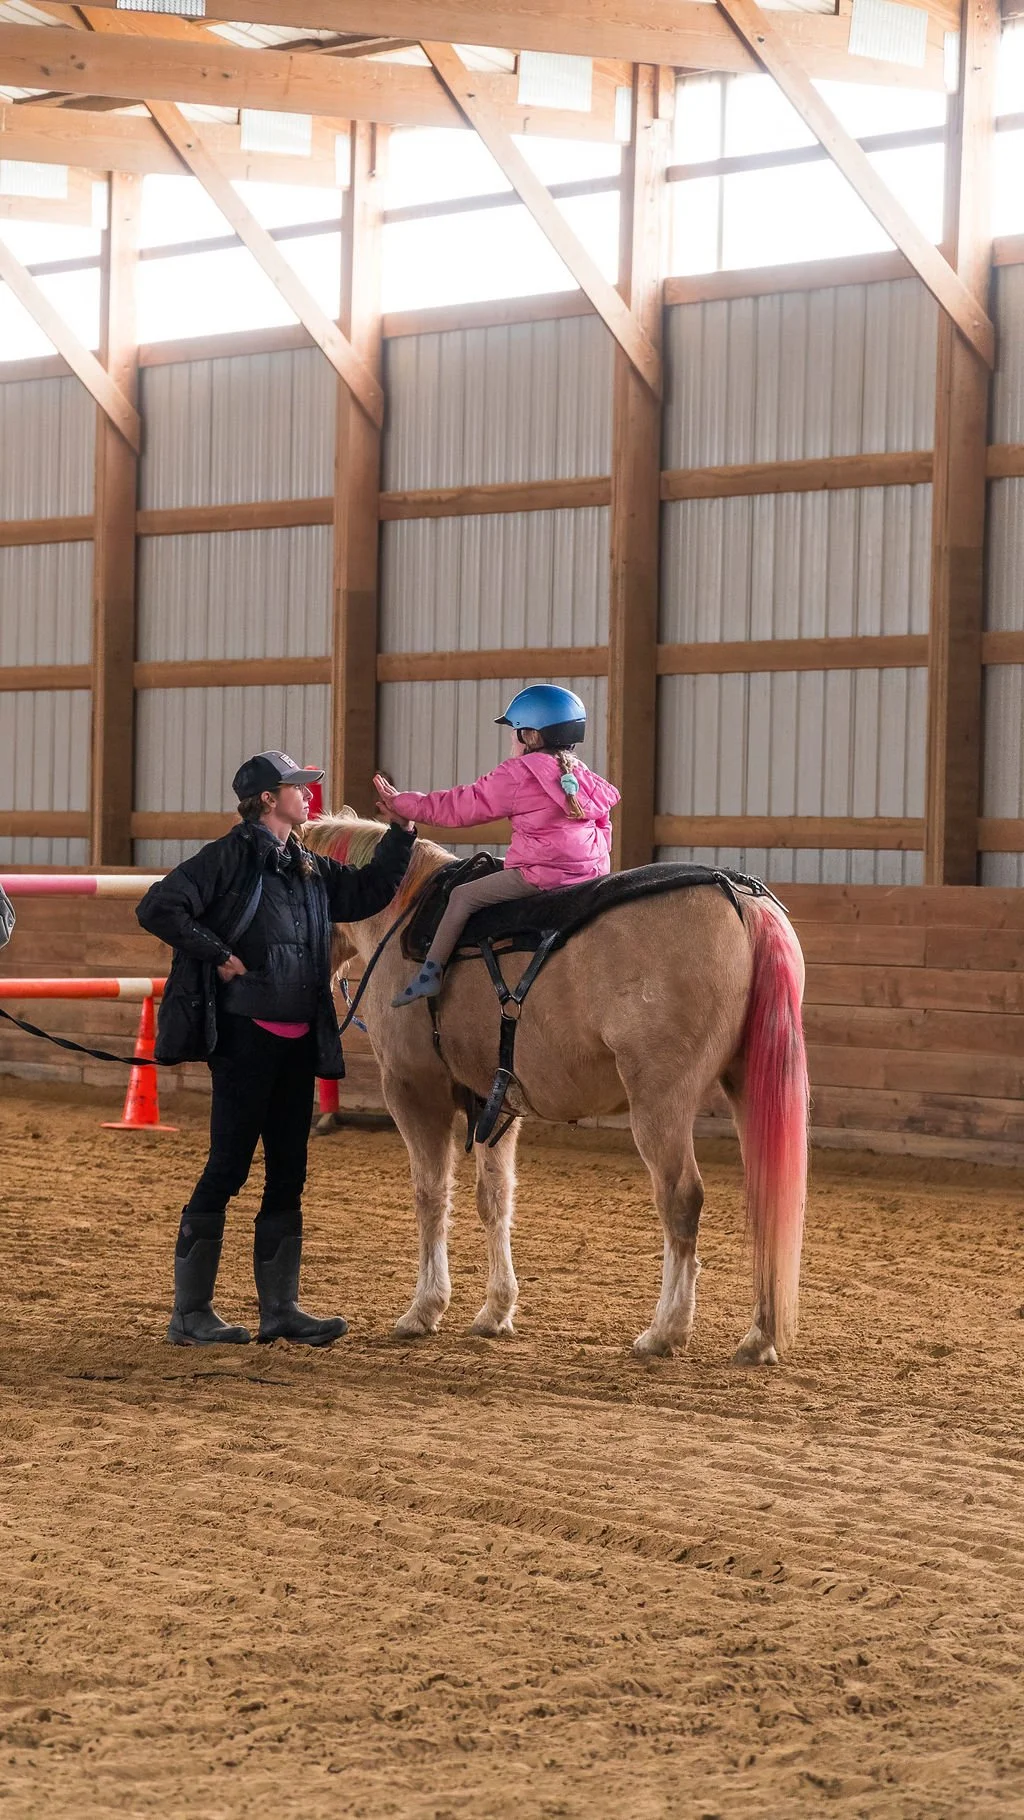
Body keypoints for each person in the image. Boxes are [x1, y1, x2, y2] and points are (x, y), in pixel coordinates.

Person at [137, 751, 415, 1348]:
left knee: (290, 1171)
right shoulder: (227, 857)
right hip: (245, 1039)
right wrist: (217, 953)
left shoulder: (309, 867)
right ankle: (190, 1315)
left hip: (295, 1041)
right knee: (228, 1168)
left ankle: (280, 1310)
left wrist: (401, 832)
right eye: (296, 787)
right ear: (268, 798)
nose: (307, 795)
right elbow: (158, 906)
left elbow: (367, 892)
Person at [377, 686, 620, 1007]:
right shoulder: (583, 777)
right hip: (590, 875)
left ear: (532, 737)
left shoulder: (519, 774)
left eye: (515, 732)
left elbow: (460, 806)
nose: (511, 740)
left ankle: (430, 974)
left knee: (461, 896)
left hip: (540, 877)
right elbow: (604, 828)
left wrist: (403, 804)